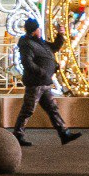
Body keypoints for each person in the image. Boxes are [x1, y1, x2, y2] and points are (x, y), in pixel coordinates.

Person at [13, 18, 82, 147]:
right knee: (28, 109)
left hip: (44, 83)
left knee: (52, 109)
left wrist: (60, 35)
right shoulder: (27, 44)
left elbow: (54, 47)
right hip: (36, 83)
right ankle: (18, 134)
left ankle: (64, 133)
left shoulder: (40, 43)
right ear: (34, 30)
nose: (40, 30)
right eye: (38, 28)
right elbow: (27, 62)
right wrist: (42, 72)